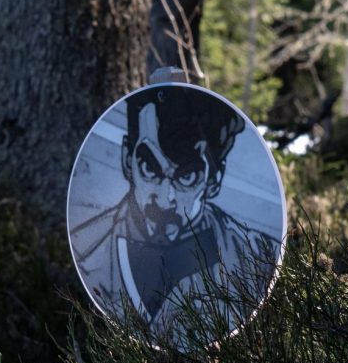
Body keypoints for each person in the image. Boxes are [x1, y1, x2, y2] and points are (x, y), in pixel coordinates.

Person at [70, 86, 280, 340]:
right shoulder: (85, 249)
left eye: (187, 176)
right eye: (150, 168)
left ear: (214, 179)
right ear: (127, 159)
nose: (166, 198)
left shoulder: (257, 259)